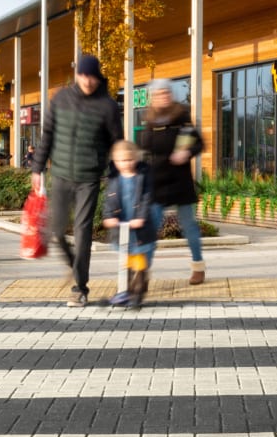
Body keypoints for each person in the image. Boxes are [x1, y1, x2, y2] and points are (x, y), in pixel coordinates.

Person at [30, 54, 124, 307]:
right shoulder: (60, 99)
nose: (88, 81)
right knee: (57, 231)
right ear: (77, 75)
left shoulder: (107, 106)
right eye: (84, 75)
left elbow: (118, 143)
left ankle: (79, 287)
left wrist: (119, 174)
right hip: (60, 174)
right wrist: (37, 168)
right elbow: (47, 135)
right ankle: (75, 268)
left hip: (88, 178)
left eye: (92, 76)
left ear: (98, 76)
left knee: (82, 232)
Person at [138, 78, 208, 284]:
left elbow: (200, 144)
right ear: (153, 98)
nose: (163, 96)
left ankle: (198, 268)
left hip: (180, 182)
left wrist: (187, 152)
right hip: (157, 183)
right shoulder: (149, 121)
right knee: (151, 230)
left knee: (189, 227)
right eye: (159, 94)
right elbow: (145, 151)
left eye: (166, 92)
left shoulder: (182, 116)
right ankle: (142, 274)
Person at [102, 140, 156, 309]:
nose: (126, 164)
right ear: (116, 162)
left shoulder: (142, 177)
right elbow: (109, 201)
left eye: (129, 160)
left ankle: (137, 292)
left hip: (139, 230)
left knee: (139, 262)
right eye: (122, 161)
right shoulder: (114, 180)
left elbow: (146, 199)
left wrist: (141, 217)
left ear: (136, 158)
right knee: (125, 262)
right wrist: (109, 216)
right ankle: (124, 291)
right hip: (123, 228)